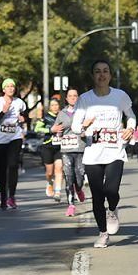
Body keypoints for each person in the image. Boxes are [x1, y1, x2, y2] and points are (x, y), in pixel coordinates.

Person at [71, 60, 136, 249]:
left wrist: (130, 129)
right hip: (93, 153)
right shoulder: (85, 99)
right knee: (98, 196)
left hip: (115, 150)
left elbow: (130, 116)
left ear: (110, 75)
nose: (102, 75)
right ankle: (103, 233)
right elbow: (75, 127)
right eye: (98, 71)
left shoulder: (120, 96)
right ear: (93, 75)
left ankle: (113, 209)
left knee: (111, 191)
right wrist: (83, 126)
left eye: (105, 71)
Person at [0, 79, 27, 210]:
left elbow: (25, 116)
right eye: (8, 86)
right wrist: (3, 112)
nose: (11, 88)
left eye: (12, 86)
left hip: (15, 138)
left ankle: (12, 197)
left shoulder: (19, 103)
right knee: (1, 170)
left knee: (13, 165)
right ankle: (3, 197)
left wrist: (23, 119)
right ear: (4, 89)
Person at [52, 88, 86, 217]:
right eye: (70, 96)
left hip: (80, 148)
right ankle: (71, 205)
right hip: (66, 149)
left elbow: (90, 127)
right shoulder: (62, 113)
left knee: (80, 175)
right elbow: (55, 128)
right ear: (66, 99)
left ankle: (79, 188)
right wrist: (53, 129)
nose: (72, 98)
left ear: (78, 98)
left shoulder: (84, 111)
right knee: (68, 176)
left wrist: (85, 130)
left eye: (75, 96)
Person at [39, 98, 64, 201]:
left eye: (56, 105)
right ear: (50, 107)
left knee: (59, 169)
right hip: (48, 146)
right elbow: (37, 129)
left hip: (60, 147)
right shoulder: (46, 118)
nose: (55, 107)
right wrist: (50, 130)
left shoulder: (63, 117)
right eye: (52, 105)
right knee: (49, 172)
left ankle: (57, 192)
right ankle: (49, 183)